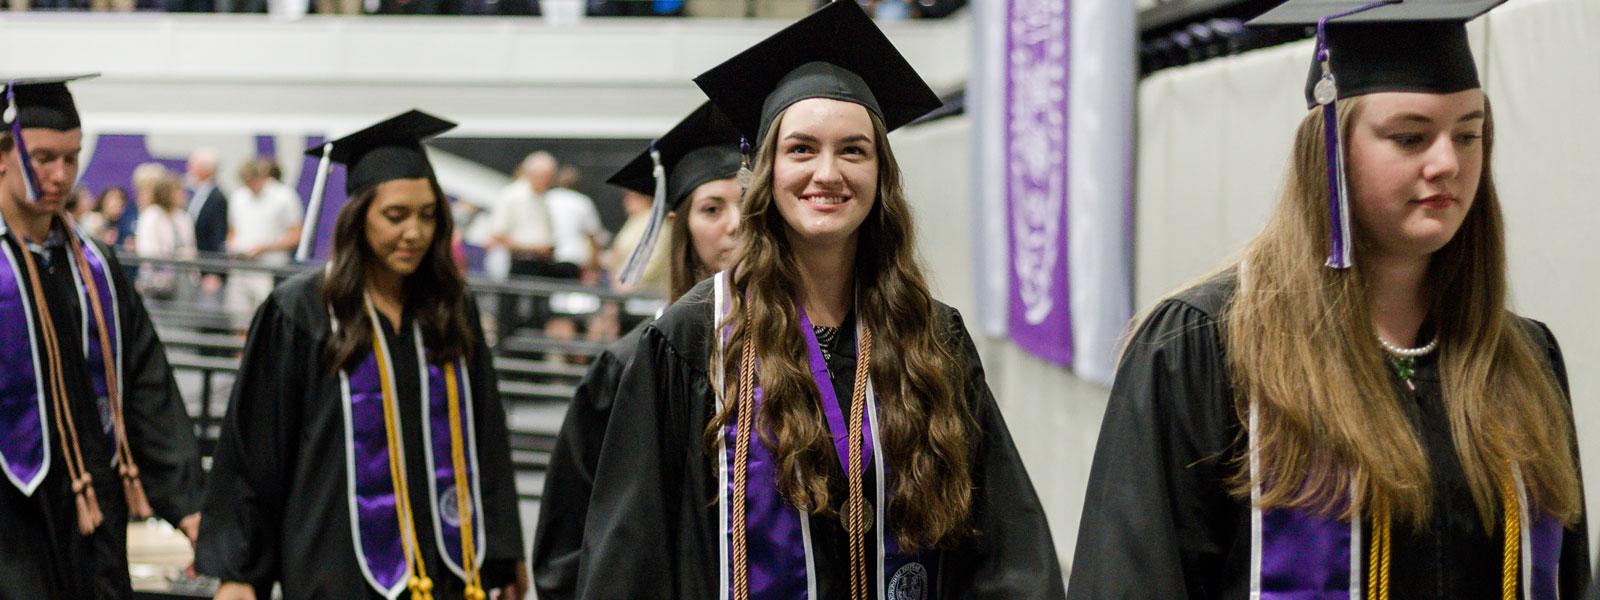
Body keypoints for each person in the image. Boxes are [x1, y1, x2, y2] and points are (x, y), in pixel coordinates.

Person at [1068, 1, 1589, 597]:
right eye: (1410, 136)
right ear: (1329, 148)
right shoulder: (1205, 349)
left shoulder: (1524, 359)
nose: (1448, 162)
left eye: (1468, 134)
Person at [577, 3, 1066, 598]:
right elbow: (633, 553)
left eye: (854, 151)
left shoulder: (931, 336)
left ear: (881, 174)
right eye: (802, 149)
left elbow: (1004, 544)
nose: (828, 173)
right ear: (765, 171)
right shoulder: (692, 340)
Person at [196, 110, 528, 600]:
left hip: (447, 567)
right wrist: (240, 575)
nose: (414, 232)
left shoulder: (450, 306)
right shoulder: (302, 311)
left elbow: (486, 434)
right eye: (396, 216)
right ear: (358, 216)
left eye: (428, 214)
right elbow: (257, 448)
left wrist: (503, 549)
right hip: (334, 567)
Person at [531, 100, 745, 600]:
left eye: (748, 203)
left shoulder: (797, 349)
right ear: (679, 226)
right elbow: (575, 521)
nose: (736, 224)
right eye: (712, 208)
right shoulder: (631, 363)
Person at [0, 74, 203, 598]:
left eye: (72, 157)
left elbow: (145, 383)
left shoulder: (95, 267)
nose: (61, 174)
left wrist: (189, 503)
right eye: (44, 157)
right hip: (10, 518)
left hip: (95, 507)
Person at [225, 156, 303, 317]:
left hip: (269, 269)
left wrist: (263, 249)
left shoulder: (284, 196)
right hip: (240, 269)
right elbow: (232, 231)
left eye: (253, 180)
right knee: (238, 319)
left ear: (263, 175)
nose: (250, 185)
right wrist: (233, 248)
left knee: (265, 320)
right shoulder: (238, 196)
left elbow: (296, 235)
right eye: (246, 181)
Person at [133, 171, 198, 301]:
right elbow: (147, 250)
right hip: (158, 281)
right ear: (167, 193)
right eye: (179, 192)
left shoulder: (183, 217)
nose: (183, 195)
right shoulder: (151, 215)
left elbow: (191, 247)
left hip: (184, 279)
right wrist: (177, 257)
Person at [186, 148, 230, 293]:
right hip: (195, 268)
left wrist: (214, 271)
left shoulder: (218, 198)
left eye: (194, 166)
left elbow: (218, 236)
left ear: (207, 170)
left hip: (208, 270)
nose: (189, 169)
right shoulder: (195, 194)